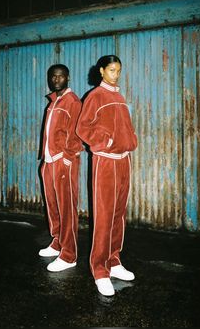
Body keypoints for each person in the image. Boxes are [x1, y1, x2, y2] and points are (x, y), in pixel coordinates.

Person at [76, 55, 138, 296]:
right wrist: (106, 142)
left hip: (124, 161)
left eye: (119, 70)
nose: (116, 74)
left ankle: (114, 261)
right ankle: (99, 270)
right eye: (112, 70)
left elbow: (126, 128)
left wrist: (131, 140)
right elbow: (83, 127)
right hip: (105, 162)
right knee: (104, 216)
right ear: (101, 71)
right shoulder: (95, 96)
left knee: (118, 215)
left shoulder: (119, 97)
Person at [39, 64, 83, 272]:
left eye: (61, 76)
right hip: (49, 161)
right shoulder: (54, 101)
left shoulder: (73, 102)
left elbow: (77, 134)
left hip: (63, 161)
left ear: (68, 77)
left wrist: (66, 158)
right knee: (53, 205)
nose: (56, 80)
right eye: (53, 76)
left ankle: (69, 254)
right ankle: (57, 242)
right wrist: (46, 160)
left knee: (66, 208)